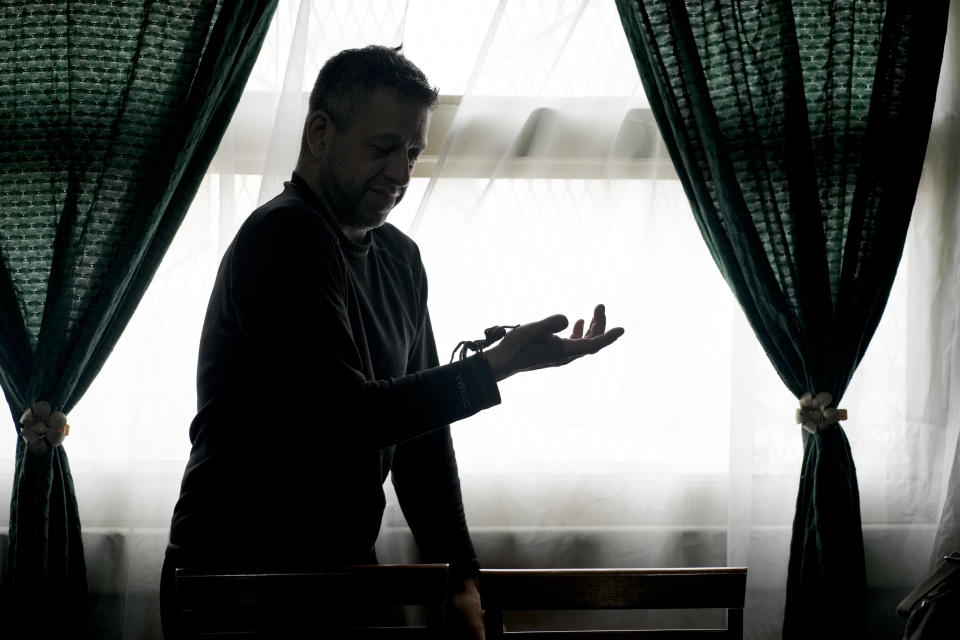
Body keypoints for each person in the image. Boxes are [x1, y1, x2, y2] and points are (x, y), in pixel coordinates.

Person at [160, 45, 624, 639]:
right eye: (383, 149)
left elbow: (422, 445)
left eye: (412, 153)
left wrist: (462, 579)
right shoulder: (284, 236)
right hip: (238, 582)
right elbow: (345, 418)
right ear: (320, 133)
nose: (402, 173)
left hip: (344, 575)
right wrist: (495, 366)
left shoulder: (402, 258)